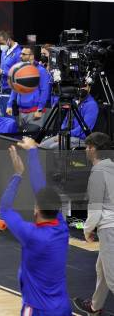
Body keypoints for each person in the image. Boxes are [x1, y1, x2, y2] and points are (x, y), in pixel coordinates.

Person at [0, 137, 71, 315]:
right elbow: (40, 189)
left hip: (38, 309)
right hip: (62, 307)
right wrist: (32, 151)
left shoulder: (31, 235)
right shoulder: (62, 228)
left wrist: (18, 174)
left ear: (37, 210)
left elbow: (5, 209)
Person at [73, 132, 114, 316]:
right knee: (102, 269)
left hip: (110, 228)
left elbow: (95, 208)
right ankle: (95, 307)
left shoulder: (98, 172)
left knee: (112, 276)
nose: (87, 150)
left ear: (94, 150)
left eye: (89, 147)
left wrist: (87, 230)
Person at [40, 84, 99, 149]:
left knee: (53, 147)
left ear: (89, 88)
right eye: (80, 86)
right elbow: (66, 120)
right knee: (42, 145)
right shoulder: (74, 101)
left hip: (81, 139)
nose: (81, 88)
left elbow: (84, 128)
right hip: (67, 135)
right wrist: (61, 133)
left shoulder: (91, 105)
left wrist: (66, 134)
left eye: (84, 86)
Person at [6, 45, 50, 128]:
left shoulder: (41, 71)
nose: (20, 56)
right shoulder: (19, 68)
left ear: (31, 56)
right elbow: (15, 87)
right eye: (21, 53)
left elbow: (44, 91)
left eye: (23, 54)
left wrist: (39, 109)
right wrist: (9, 104)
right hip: (21, 111)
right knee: (22, 138)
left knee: (31, 138)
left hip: (34, 112)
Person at [0, 31, 22, 117]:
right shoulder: (4, 51)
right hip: (3, 89)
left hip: (12, 90)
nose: (1, 45)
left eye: (2, 43)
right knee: (2, 118)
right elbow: (3, 68)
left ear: (9, 40)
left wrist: (2, 72)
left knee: (9, 119)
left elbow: (18, 74)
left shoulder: (19, 53)